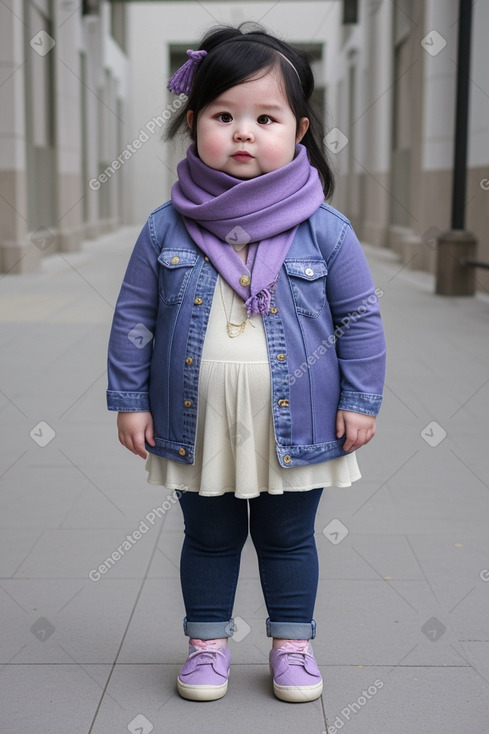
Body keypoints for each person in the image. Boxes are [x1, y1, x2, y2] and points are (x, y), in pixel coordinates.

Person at [106, 24, 386, 704]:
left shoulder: (325, 227)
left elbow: (360, 319)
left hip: (300, 419)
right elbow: (134, 319)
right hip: (195, 421)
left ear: (298, 129)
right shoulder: (164, 228)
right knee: (207, 538)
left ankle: (291, 644)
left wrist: (361, 398)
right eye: (222, 116)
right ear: (192, 123)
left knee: (288, 539)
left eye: (264, 118)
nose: (242, 133)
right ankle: (207, 647)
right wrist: (129, 399)